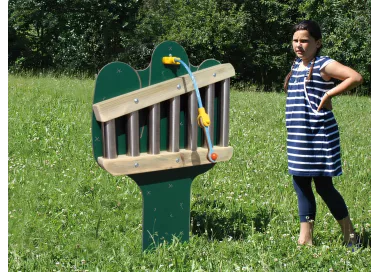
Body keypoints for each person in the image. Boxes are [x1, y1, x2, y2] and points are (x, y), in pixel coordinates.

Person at [283, 20, 363, 246]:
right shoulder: (297, 66)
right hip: (299, 136)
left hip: (318, 136)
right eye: (295, 40)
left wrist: (329, 95)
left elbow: (355, 77)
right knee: (300, 183)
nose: (299, 45)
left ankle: (350, 236)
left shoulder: (323, 64)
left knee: (324, 187)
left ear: (317, 43)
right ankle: (305, 238)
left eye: (304, 41)